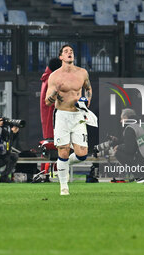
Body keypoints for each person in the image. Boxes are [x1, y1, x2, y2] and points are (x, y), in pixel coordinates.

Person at [45, 44, 93, 195]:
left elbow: (88, 89)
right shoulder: (55, 76)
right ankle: (63, 186)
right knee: (63, 151)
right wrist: (55, 92)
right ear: (61, 57)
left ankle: (62, 165)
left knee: (82, 154)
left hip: (78, 115)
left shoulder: (82, 72)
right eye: (66, 51)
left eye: (71, 51)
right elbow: (47, 101)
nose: (69, 53)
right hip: (62, 115)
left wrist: (87, 101)